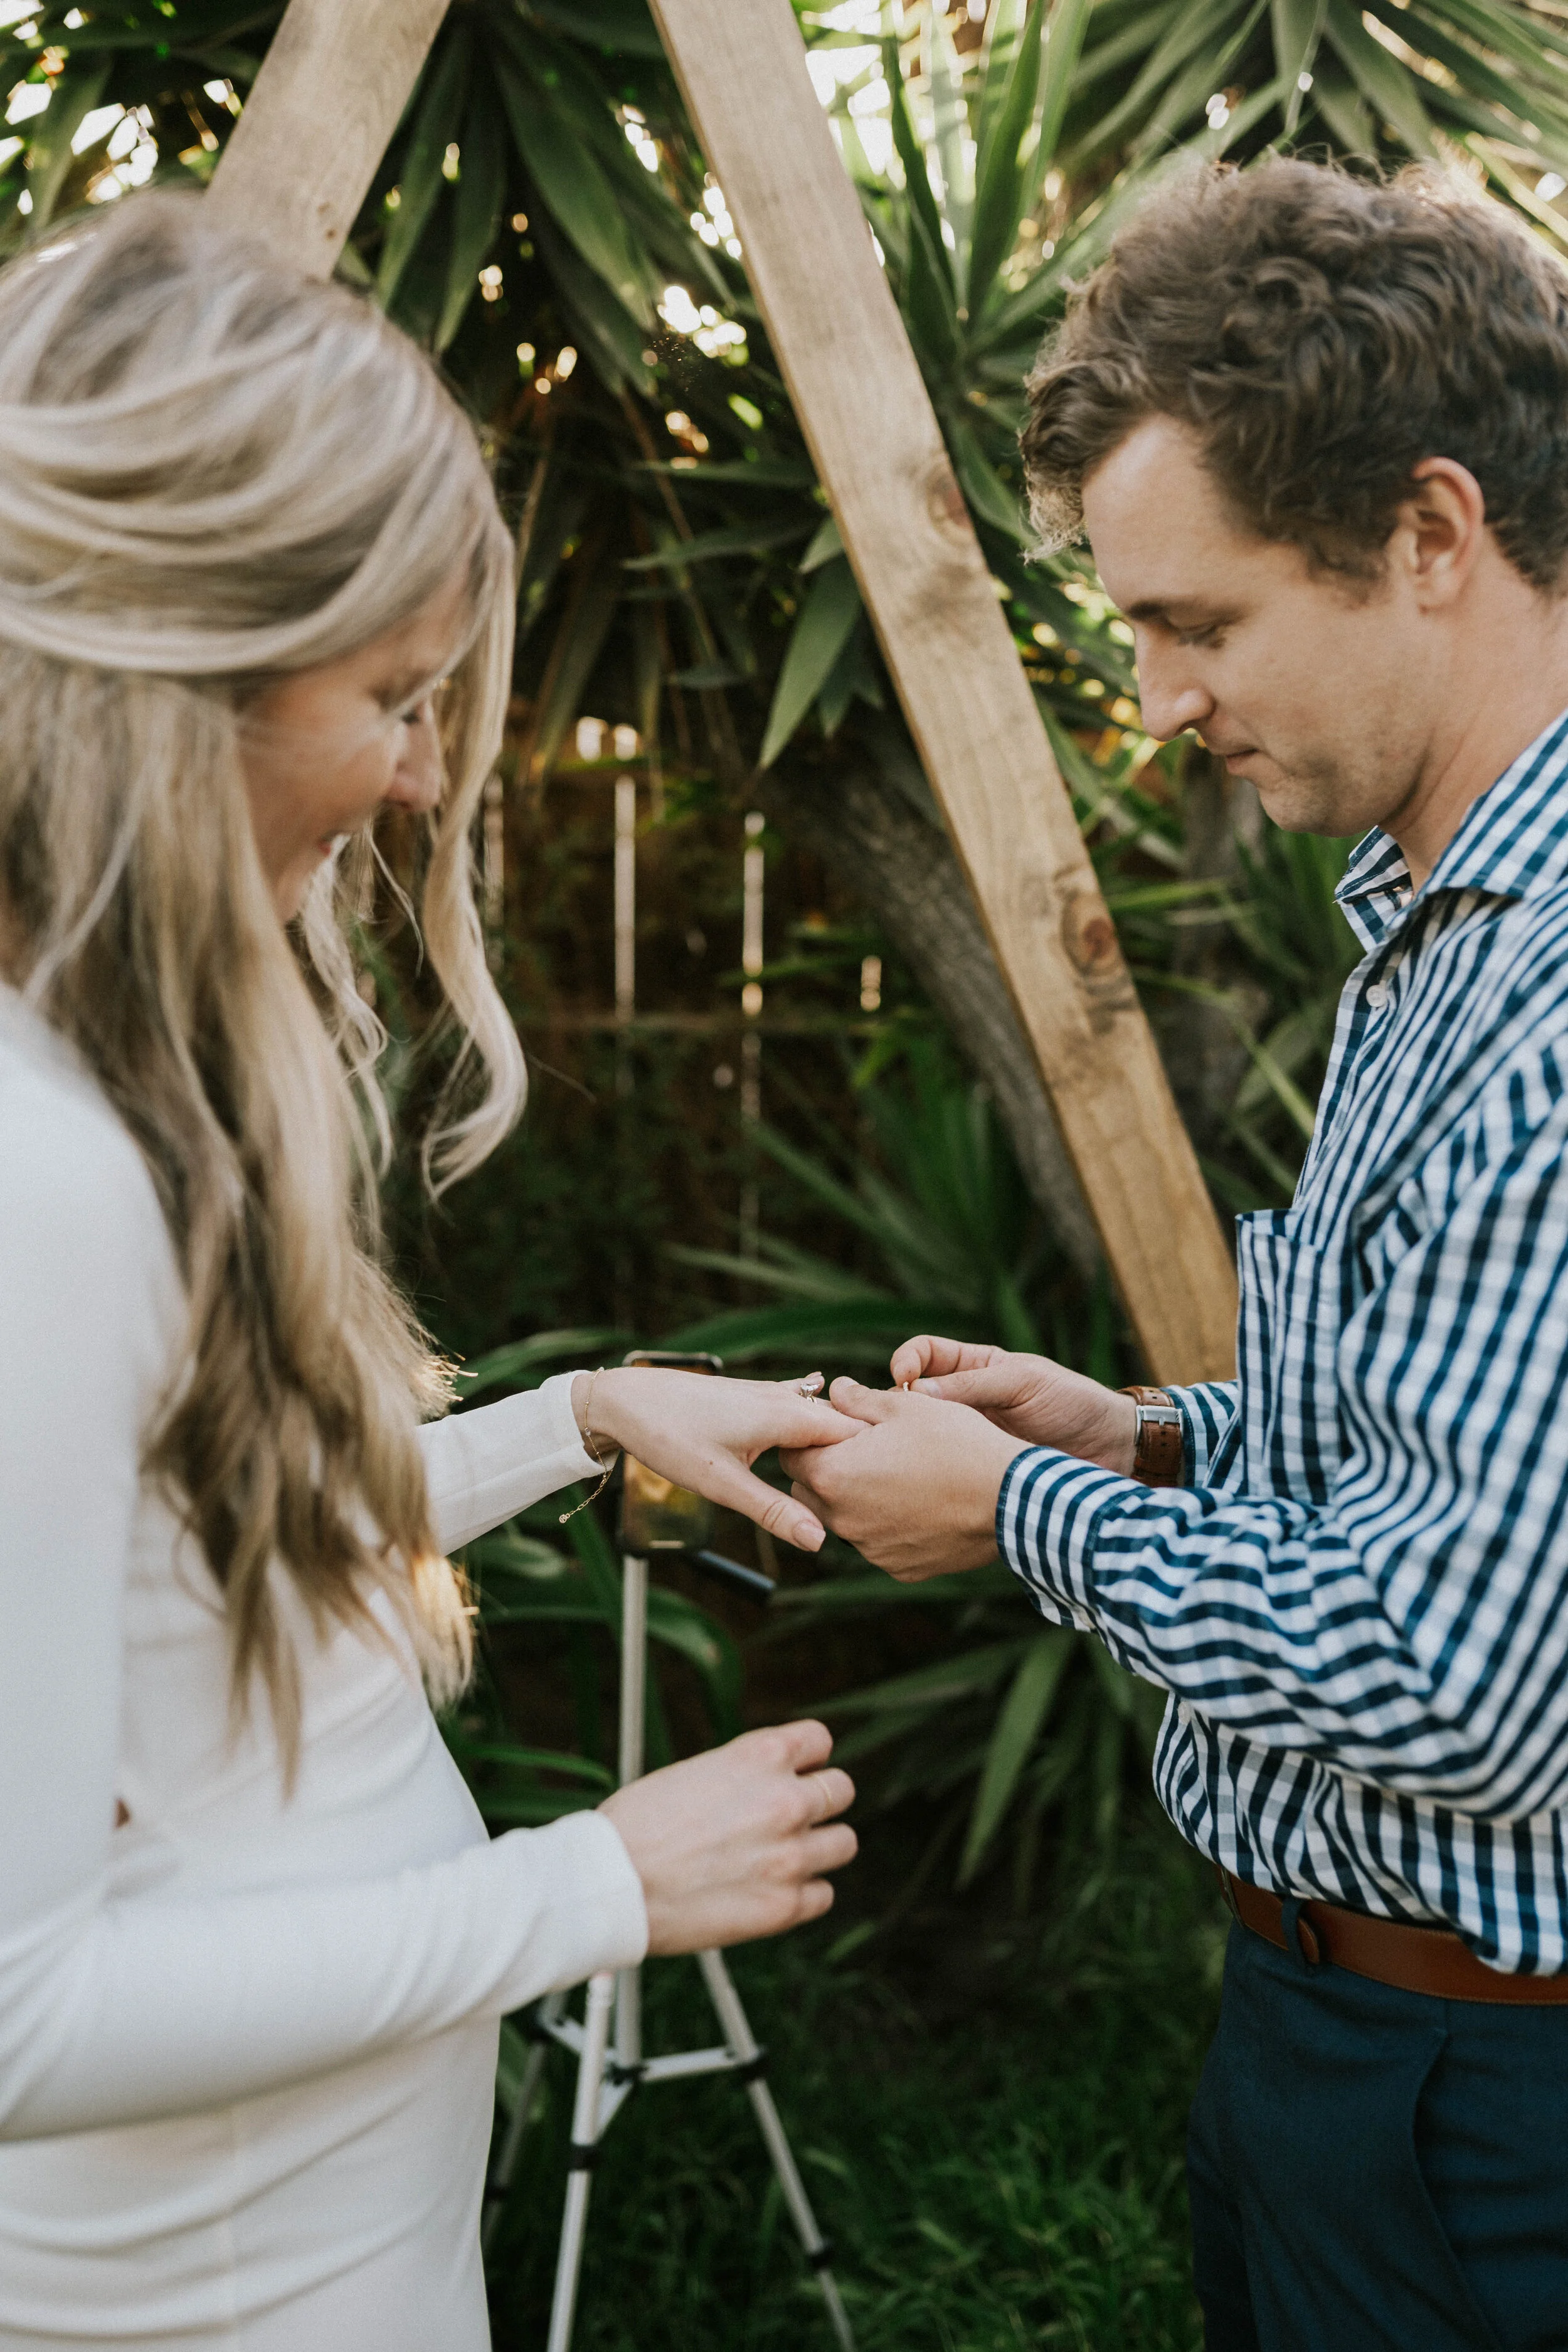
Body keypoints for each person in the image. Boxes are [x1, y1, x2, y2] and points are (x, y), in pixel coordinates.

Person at [0, 194, 860, 2352]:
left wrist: (576, 1424)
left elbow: (169, 1563)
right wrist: (595, 1887)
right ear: (170, 676)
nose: (412, 770)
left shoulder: (96, 1091)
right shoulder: (46, 1177)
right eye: (386, 695)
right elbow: (16, 2019)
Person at [783, 159, 1568, 2350]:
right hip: (1345, 2037)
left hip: (1493, 2098)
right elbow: (1445, 1456)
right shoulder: (1443, 929)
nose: (1151, 696)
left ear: (1429, 538)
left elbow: (1467, 1679)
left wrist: (1022, 1518)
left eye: (1194, 623)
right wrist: (1135, 1442)